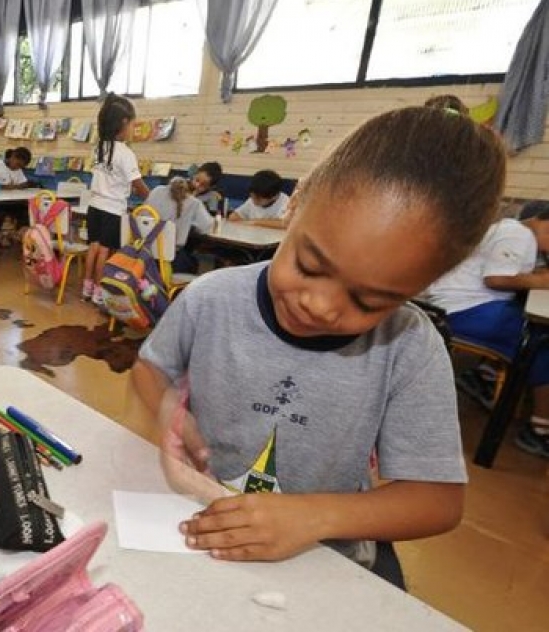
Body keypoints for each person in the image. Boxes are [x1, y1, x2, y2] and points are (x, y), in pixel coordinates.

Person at [131, 106, 506, 588]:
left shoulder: (410, 347)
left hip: (320, 563)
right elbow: (150, 369)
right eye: (309, 265)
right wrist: (172, 414)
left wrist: (313, 517)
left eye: (370, 300)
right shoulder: (210, 298)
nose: (321, 306)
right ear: (297, 201)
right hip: (201, 530)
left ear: (425, 284)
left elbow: (438, 501)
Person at [424, 201, 549, 459]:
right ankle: (540, 429)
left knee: (525, 324)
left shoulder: (514, 231)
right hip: (462, 311)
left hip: (458, 306)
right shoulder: (519, 235)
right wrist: (541, 280)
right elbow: (496, 279)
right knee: (540, 343)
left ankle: (484, 376)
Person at [82, 93, 150, 305]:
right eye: (132, 124)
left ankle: (87, 288)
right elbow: (138, 185)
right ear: (123, 123)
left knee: (93, 247)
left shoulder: (99, 147)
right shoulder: (126, 153)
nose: (133, 129)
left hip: (94, 206)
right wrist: (152, 198)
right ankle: (100, 292)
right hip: (112, 210)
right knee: (105, 250)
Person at [145, 177, 212, 274]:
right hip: (171, 260)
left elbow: (143, 214)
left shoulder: (156, 191)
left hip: (145, 254)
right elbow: (206, 227)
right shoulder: (194, 203)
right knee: (194, 262)